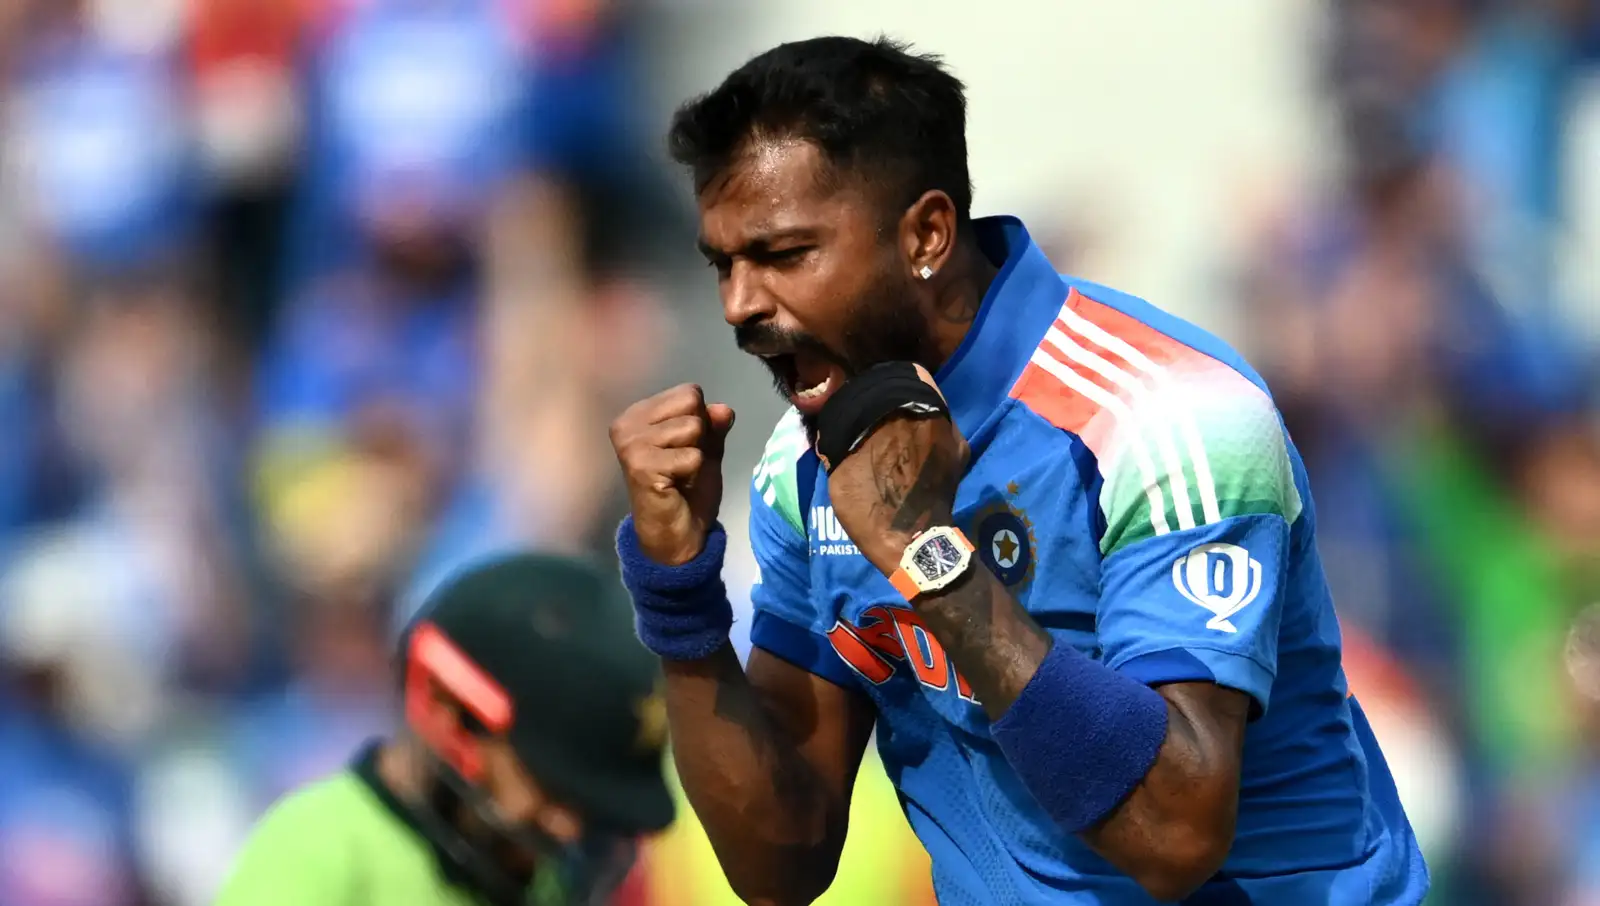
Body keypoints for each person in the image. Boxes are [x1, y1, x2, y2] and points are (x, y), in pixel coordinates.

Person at [608, 36, 1429, 905]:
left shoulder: (1169, 416)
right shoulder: (800, 470)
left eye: (781, 255)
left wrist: (924, 552)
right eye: (722, 264)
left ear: (926, 235)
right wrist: (678, 593)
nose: (739, 306)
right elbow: (782, 864)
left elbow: (1176, 831)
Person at [212, 553, 675, 906]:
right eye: (553, 786)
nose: (569, 827)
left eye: (594, 806)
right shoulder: (317, 857)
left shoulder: (547, 879)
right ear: (449, 711)